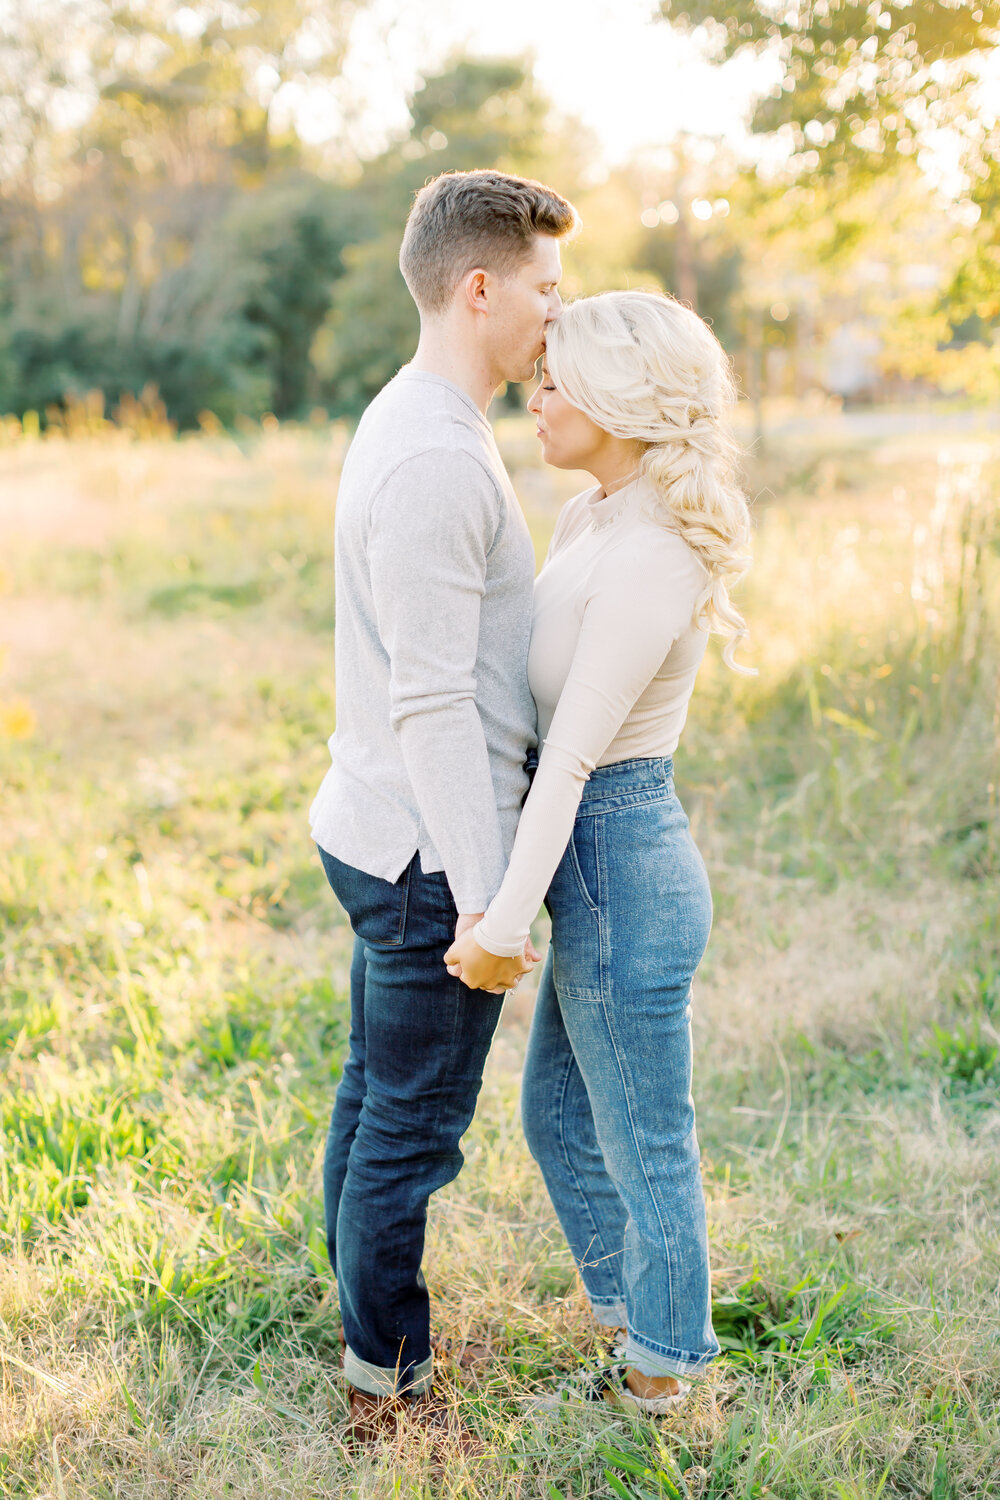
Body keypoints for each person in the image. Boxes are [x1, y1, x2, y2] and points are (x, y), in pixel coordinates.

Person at [445, 289, 753, 1414]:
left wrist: (500, 925)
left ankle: (667, 1374)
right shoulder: (590, 516)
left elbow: (572, 761)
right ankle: (638, 1321)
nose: (538, 394)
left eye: (558, 379)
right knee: (561, 1118)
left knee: (643, 1138)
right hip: (585, 849)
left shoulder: (658, 551)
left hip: (620, 856)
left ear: (622, 399)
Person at [308, 168, 577, 1446]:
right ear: (480, 287)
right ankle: (387, 1383)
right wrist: (487, 898)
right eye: (542, 286)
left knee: (376, 1097)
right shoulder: (430, 457)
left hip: (390, 828)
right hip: (424, 852)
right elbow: (430, 705)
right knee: (410, 1127)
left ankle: (366, 1330)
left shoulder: (425, 420)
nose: (553, 314)